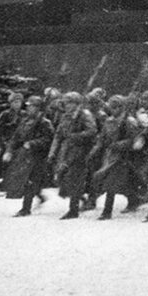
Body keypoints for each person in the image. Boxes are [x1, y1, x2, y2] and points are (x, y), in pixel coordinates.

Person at [48, 91, 99, 220]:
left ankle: (73, 209)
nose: (67, 106)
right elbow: (58, 135)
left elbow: (92, 131)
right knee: (63, 178)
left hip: (80, 151)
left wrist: (75, 136)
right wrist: (52, 152)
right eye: (66, 103)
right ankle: (80, 199)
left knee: (74, 179)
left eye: (70, 103)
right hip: (66, 151)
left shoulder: (84, 115)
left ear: (76, 104)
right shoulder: (65, 116)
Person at [1, 95, 54, 216]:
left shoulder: (45, 122)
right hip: (25, 155)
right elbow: (16, 138)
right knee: (24, 180)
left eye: (32, 107)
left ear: (37, 108)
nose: (29, 109)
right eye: (28, 106)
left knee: (30, 181)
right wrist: (9, 150)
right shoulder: (25, 121)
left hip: (38, 156)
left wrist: (32, 143)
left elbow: (48, 139)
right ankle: (37, 197)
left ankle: (26, 208)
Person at [91, 95, 141, 220]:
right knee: (120, 183)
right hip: (110, 155)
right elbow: (102, 138)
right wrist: (95, 150)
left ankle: (107, 212)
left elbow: (135, 139)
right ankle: (134, 199)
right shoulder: (109, 121)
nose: (114, 110)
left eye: (117, 107)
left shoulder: (129, 121)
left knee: (111, 183)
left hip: (123, 157)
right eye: (112, 107)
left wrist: (119, 145)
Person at [0, 92, 24, 182]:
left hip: (18, 141)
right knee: (6, 162)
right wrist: (1, 141)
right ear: (11, 103)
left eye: (19, 102)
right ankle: (4, 181)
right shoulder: (5, 114)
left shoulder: (23, 114)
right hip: (7, 140)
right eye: (15, 102)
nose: (17, 104)